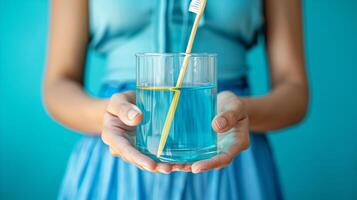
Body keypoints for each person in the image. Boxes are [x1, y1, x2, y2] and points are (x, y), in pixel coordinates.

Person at [43, 0, 308, 199]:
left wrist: (239, 113)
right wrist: (109, 116)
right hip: (114, 153)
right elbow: (58, 84)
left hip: (229, 150)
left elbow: (295, 91)